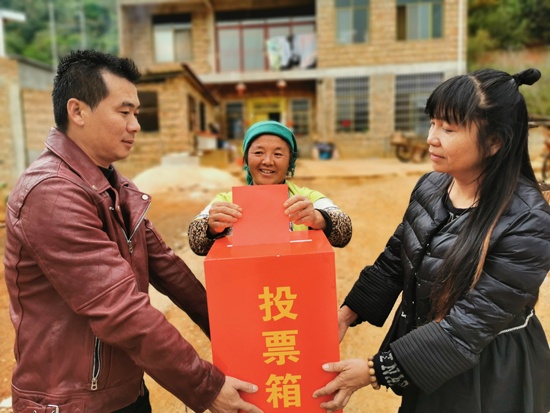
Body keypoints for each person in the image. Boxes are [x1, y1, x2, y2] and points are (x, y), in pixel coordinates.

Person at [3, 50, 262, 413]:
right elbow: (119, 308)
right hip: (72, 401)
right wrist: (205, 386)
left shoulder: (114, 185)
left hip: (124, 390)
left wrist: (237, 336)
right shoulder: (52, 192)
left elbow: (167, 267)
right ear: (77, 112)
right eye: (124, 112)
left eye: (136, 113)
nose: (135, 125)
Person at [313, 68, 550, 413]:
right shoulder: (432, 185)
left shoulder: (529, 220)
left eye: (448, 129)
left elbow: (471, 323)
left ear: (495, 142)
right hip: (427, 355)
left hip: (491, 375)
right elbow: (397, 258)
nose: (431, 138)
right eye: (433, 123)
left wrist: (375, 370)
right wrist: (345, 315)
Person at [188, 120, 352, 256]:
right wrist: (211, 228)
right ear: (246, 158)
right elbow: (196, 243)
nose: (267, 161)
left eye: (278, 154)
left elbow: (344, 232)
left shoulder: (306, 198)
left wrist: (318, 219)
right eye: (258, 153)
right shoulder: (227, 201)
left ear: (290, 161)